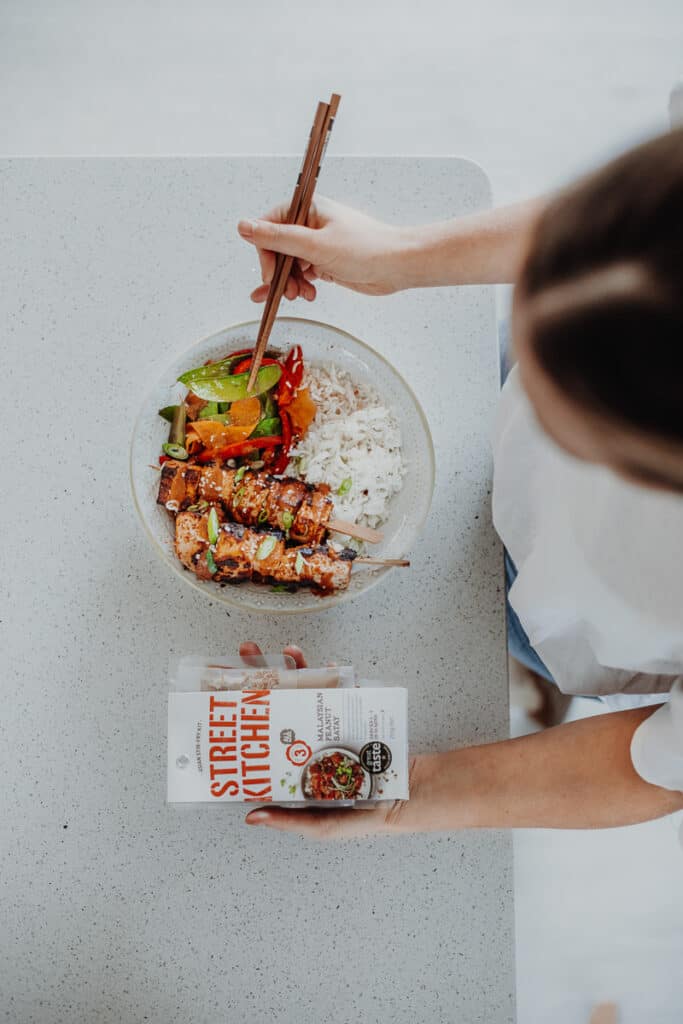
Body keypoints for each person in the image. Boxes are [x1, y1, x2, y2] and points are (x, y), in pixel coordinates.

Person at [235, 129, 683, 839]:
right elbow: (642, 213)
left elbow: (660, 768)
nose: (522, 386)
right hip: (556, 523)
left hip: (577, 626)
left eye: (560, 410)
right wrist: (401, 257)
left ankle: (535, 683)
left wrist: (406, 795)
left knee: (508, 646)